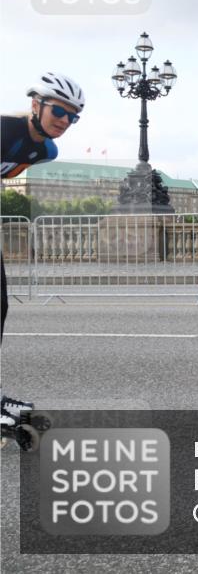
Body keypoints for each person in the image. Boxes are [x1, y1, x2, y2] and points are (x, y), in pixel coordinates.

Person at [1, 73, 85, 448]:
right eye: (58, 111)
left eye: (73, 117)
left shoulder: (46, 151)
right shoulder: (4, 130)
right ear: (36, 105)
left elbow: (10, 174)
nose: (64, 121)